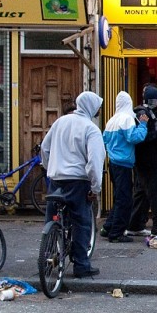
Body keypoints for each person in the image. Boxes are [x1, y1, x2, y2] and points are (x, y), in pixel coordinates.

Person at [41, 91, 106, 278]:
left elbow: (45, 148)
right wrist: (95, 189)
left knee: (52, 217)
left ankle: (46, 258)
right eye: (98, 106)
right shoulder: (91, 129)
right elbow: (95, 163)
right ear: (92, 107)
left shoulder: (60, 122)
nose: (99, 110)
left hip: (56, 179)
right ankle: (81, 265)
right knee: (82, 223)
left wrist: (50, 167)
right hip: (78, 182)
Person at [101, 91, 148, 243]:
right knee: (125, 200)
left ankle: (108, 226)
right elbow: (134, 138)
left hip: (113, 163)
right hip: (123, 164)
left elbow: (105, 140)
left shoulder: (111, 120)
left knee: (119, 197)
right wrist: (143, 125)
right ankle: (116, 233)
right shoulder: (127, 119)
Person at [126, 84, 157, 237]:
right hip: (147, 160)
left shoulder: (152, 113)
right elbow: (143, 137)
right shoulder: (142, 114)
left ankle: (135, 224)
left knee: (142, 193)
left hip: (149, 159)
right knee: (156, 192)